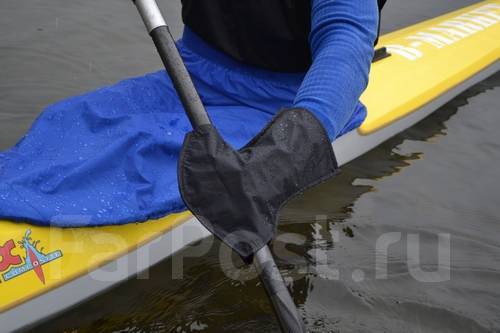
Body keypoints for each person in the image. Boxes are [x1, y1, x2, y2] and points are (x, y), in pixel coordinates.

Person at [0, 0, 383, 226]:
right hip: (188, 72)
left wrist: (287, 155)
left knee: (143, 153)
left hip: (278, 103)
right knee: (69, 119)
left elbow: (347, 40)